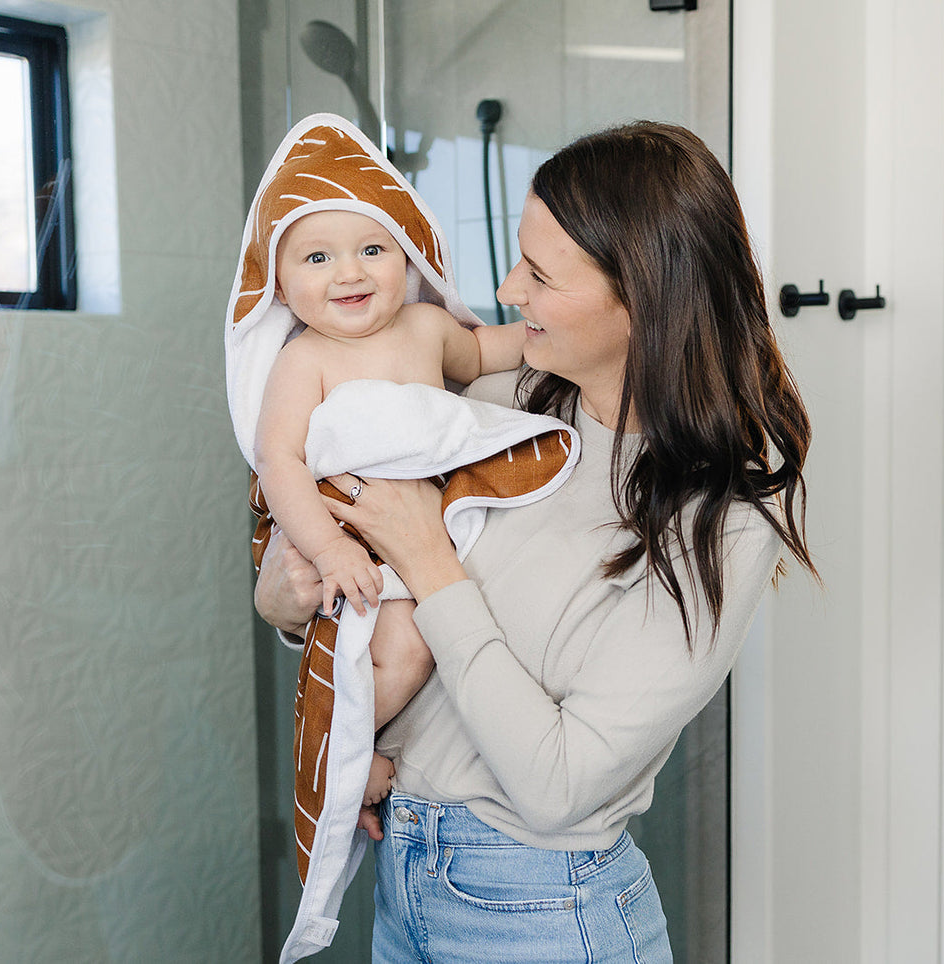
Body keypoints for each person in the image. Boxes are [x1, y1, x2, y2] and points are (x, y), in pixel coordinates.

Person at [254, 119, 816, 963]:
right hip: (402, 870)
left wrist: (430, 564)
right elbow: (326, 575)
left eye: (541, 274)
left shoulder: (718, 523)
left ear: (644, 297)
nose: (508, 287)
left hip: (543, 909)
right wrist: (285, 595)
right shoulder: (488, 398)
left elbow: (557, 787)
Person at [253, 206, 526, 807]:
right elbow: (281, 463)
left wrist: (539, 334)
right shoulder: (305, 359)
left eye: (373, 250)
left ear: (407, 258)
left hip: (430, 528)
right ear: (278, 284)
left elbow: (481, 354)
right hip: (353, 543)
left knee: (424, 654)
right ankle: (340, 753)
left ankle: (352, 743)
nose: (350, 273)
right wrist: (328, 548)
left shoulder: (426, 325)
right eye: (318, 258)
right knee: (404, 654)